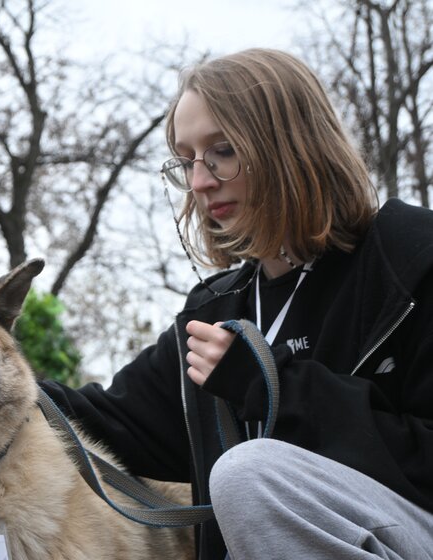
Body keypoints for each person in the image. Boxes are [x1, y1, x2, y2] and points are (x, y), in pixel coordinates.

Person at [40, 48, 433, 559]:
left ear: (291, 146)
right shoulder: (216, 307)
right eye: (187, 161)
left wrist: (272, 388)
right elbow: (110, 423)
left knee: (249, 475)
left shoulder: (409, 257)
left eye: (222, 151)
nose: (201, 181)